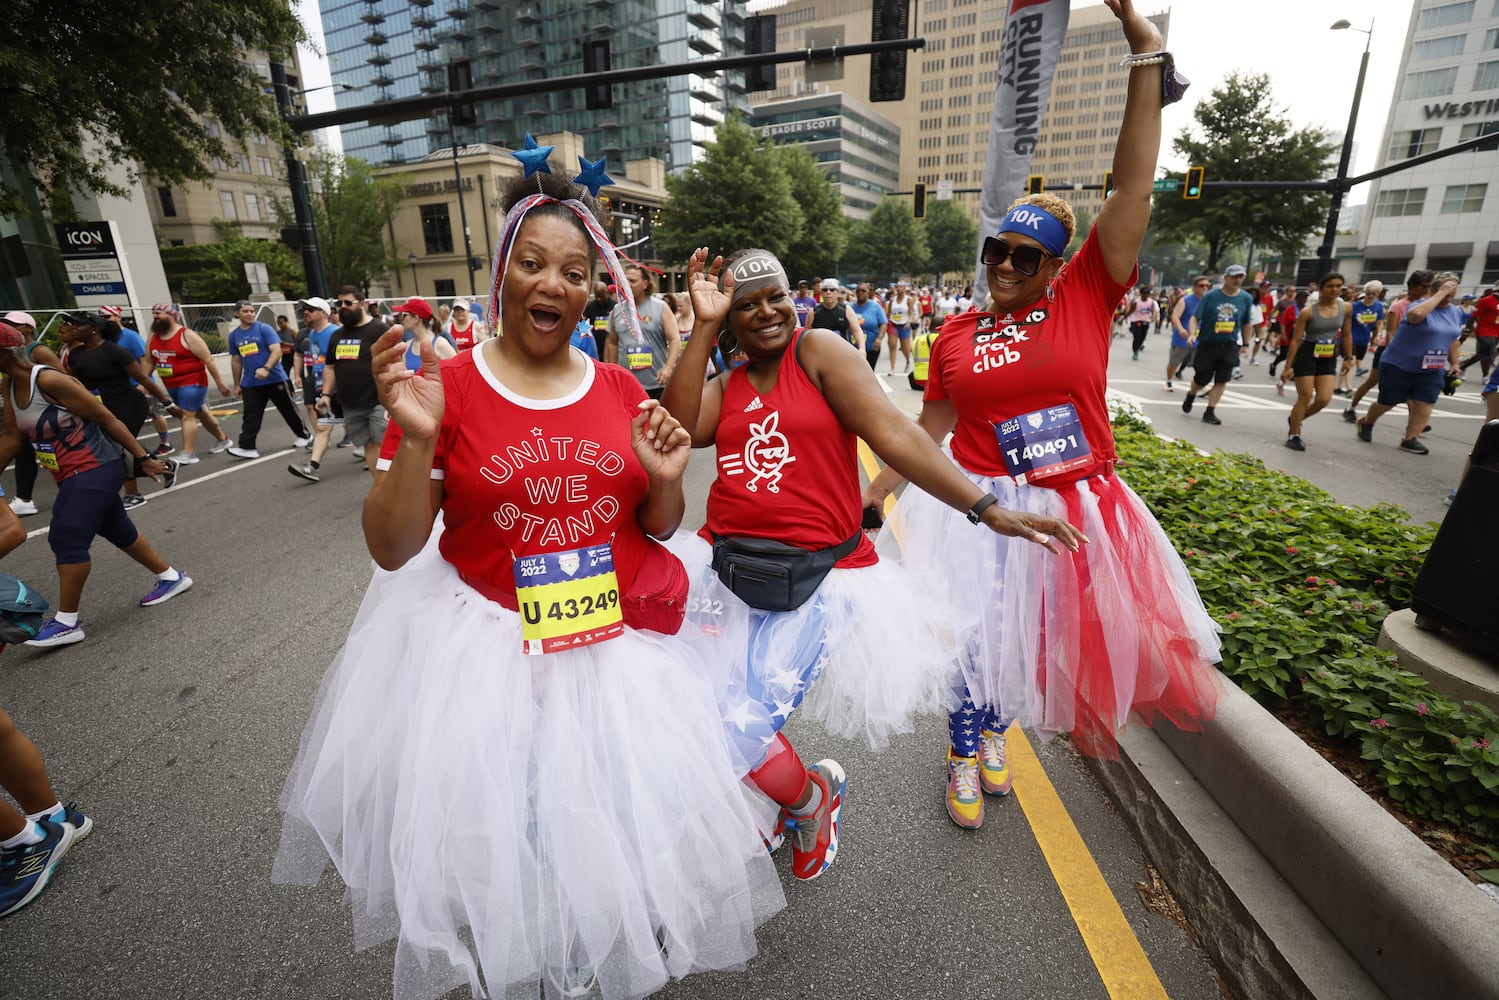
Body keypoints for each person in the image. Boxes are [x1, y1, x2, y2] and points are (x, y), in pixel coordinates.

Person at [275, 169, 783, 1000]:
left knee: (604, 815)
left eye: (575, 272)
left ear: (592, 292)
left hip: (608, 651)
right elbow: (393, 546)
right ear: (503, 273)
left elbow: (655, 525)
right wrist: (414, 441)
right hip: (487, 652)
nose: (553, 282)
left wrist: (664, 476)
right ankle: (545, 953)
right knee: (516, 829)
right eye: (533, 263)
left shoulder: (619, 388)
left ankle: (588, 945)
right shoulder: (449, 388)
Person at [863, 0, 1220, 828]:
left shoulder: (1087, 299)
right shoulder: (954, 333)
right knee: (974, 638)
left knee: (1034, 639)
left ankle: (994, 735)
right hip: (978, 510)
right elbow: (930, 433)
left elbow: (1132, 185)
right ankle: (961, 750)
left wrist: (1145, 58)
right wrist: (869, 497)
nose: (1006, 266)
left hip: (1073, 503)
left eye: (1026, 257)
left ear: (1056, 266)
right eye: (998, 251)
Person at [663, 246, 1079, 858]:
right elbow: (675, 427)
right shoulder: (727, 383)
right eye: (744, 306)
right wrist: (701, 327)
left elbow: (896, 432)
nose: (766, 312)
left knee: (739, 729)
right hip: (727, 571)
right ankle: (789, 807)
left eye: (776, 296)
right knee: (702, 718)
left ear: (794, 298)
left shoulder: (819, 352)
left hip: (815, 580)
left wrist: (983, 508)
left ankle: (811, 801)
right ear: (729, 320)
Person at [0, 323, 192, 648]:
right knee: (117, 529)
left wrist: (143, 457)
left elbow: (108, 419)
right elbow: (13, 436)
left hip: (95, 468)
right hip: (69, 473)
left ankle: (67, 622)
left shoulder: (48, 380)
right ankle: (172, 577)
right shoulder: (9, 385)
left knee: (66, 536)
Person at [57, 312, 181, 509]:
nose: (72, 328)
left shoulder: (115, 352)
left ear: (94, 329)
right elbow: (76, 384)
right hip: (100, 408)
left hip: (129, 405)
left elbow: (144, 379)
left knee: (120, 448)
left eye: (77, 325)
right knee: (118, 447)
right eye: (70, 324)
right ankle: (166, 467)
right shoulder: (76, 354)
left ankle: (134, 494)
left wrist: (168, 404)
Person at [1355, 272, 1466, 455]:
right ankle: (1366, 422)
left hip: (1432, 368)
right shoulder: (1416, 306)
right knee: (1387, 402)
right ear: (1433, 290)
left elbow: (1453, 340)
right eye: (1446, 288)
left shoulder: (1456, 313)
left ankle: (1409, 439)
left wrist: (1454, 363)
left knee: (1425, 403)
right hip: (1399, 364)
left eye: (1453, 289)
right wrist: (1438, 296)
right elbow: (1415, 316)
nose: (1450, 292)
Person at [147, 303, 232, 466]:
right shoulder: (153, 337)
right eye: (153, 313)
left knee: (187, 415)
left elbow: (208, 360)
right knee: (200, 412)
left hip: (193, 381)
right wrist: (142, 383)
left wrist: (220, 384)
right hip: (172, 384)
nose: (155, 317)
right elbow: (148, 361)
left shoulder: (187, 335)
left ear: (172, 315)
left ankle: (188, 453)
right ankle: (223, 439)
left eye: (159, 313)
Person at [317, 287, 389, 477]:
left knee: (386, 446)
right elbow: (331, 367)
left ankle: (394, 492)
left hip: (379, 402)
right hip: (351, 404)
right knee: (370, 446)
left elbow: (396, 362)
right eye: (339, 303)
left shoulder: (379, 330)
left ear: (362, 304)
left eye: (348, 303)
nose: (343, 307)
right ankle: (381, 490)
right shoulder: (337, 336)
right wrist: (325, 394)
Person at [225, 301, 310, 459]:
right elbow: (236, 360)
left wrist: (266, 368)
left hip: (274, 378)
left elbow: (276, 351)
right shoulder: (234, 335)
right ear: (237, 314)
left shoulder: (264, 329)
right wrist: (237, 384)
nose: (250, 314)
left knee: (288, 409)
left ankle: (304, 436)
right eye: (245, 311)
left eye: (251, 311)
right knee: (251, 414)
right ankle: (247, 447)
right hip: (250, 383)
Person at [1279, 272, 1352, 451]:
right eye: (1330, 286)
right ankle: (1294, 434)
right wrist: (1288, 367)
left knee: (1324, 399)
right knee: (1305, 396)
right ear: (1321, 289)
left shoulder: (1346, 308)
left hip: (1328, 356)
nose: (1335, 290)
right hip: (1308, 354)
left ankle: (1296, 418)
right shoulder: (1308, 312)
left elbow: (1347, 334)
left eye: (1338, 286)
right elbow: (1296, 341)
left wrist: (1348, 358)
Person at [1346, 271, 1431, 423]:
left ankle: (1416, 424)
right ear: (1412, 286)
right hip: (1390, 351)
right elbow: (1391, 332)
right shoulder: (1399, 306)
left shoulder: (1428, 306)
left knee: (1412, 390)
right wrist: (1394, 351)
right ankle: (1351, 407)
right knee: (1372, 381)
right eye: (1424, 286)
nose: (1427, 290)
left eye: (1429, 287)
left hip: (1413, 353)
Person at [1183, 265, 1254, 425]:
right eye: (1234, 276)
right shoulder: (1211, 296)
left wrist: (1246, 343)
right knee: (1202, 378)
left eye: (1240, 277)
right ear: (1226, 278)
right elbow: (1195, 317)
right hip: (1208, 343)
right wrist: (1193, 334)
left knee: (1222, 379)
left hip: (1229, 344)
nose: (1237, 280)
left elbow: (1246, 323)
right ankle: (1192, 393)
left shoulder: (1245, 298)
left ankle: (1210, 411)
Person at [606, 264, 681, 398]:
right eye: (624, 281)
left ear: (645, 284)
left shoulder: (660, 307)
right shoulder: (617, 310)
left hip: (657, 384)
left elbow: (675, 339)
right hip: (627, 385)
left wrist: (668, 368)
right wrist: (612, 371)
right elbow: (612, 343)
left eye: (632, 281)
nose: (627, 285)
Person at [287, 297, 341, 482]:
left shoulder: (334, 333)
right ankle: (312, 466)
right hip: (325, 393)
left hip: (343, 392)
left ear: (323, 313)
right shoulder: (312, 335)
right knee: (323, 428)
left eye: (311, 309)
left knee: (360, 430)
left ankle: (381, 458)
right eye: (305, 309)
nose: (306, 313)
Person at [1342, 280, 1386, 394]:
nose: (1370, 296)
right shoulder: (1355, 306)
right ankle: (1349, 388)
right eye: (1369, 293)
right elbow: (1346, 322)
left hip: (1364, 338)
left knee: (1350, 363)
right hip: (1351, 337)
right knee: (1351, 361)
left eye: (1374, 294)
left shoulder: (1378, 307)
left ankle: (1337, 385)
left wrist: (1378, 335)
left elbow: (1380, 322)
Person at [391, 297, 457, 372]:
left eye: (404, 315)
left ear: (416, 318)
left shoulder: (440, 344)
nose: (400, 318)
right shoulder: (407, 347)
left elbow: (458, 374)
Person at [1166, 277, 1207, 391]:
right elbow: (1175, 316)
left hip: (1200, 338)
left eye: (1206, 286)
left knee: (1200, 364)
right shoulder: (1186, 300)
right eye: (1201, 286)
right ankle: (1169, 381)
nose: (1204, 288)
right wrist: (1180, 329)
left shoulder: (1207, 301)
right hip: (1183, 338)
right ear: (1194, 288)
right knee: (1174, 361)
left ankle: (1199, 385)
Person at [810, 278, 863, 349]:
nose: (828, 292)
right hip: (820, 353)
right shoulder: (814, 312)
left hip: (842, 352)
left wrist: (862, 349)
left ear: (837, 292)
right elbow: (807, 334)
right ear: (821, 293)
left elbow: (857, 331)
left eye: (832, 290)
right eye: (825, 290)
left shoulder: (846, 310)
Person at [1460, 284, 1498, 379]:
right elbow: (1474, 316)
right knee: (1489, 349)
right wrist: (1467, 330)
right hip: (1484, 329)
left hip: (1496, 330)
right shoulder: (1486, 300)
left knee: (1484, 354)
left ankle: (1462, 367)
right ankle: (1485, 376)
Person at [850, 283, 887, 371]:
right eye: (858, 291)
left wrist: (879, 339)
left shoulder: (876, 306)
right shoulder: (849, 307)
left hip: (872, 347)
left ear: (868, 292)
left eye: (863, 291)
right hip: (853, 347)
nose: (861, 293)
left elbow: (883, 324)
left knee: (869, 371)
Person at [886, 281, 915, 374]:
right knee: (892, 345)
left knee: (904, 348)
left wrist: (909, 322)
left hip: (904, 325)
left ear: (904, 289)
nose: (898, 289)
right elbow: (888, 312)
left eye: (901, 287)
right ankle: (892, 368)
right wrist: (886, 321)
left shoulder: (908, 299)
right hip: (893, 324)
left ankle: (907, 360)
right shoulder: (892, 300)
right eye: (897, 287)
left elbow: (911, 313)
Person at [1126, 286, 1158, 360]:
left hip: (1145, 321)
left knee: (1143, 337)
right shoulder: (1136, 301)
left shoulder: (1151, 302)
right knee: (1137, 337)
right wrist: (1124, 318)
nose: (1147, 295)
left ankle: (1138, 347)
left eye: (1148, 294)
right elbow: (1131, 311)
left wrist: (1153, 318)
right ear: (1141, 294)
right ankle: (1135, 351)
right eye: (1145, 293)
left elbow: (1152, 312)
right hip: (1136, 321)